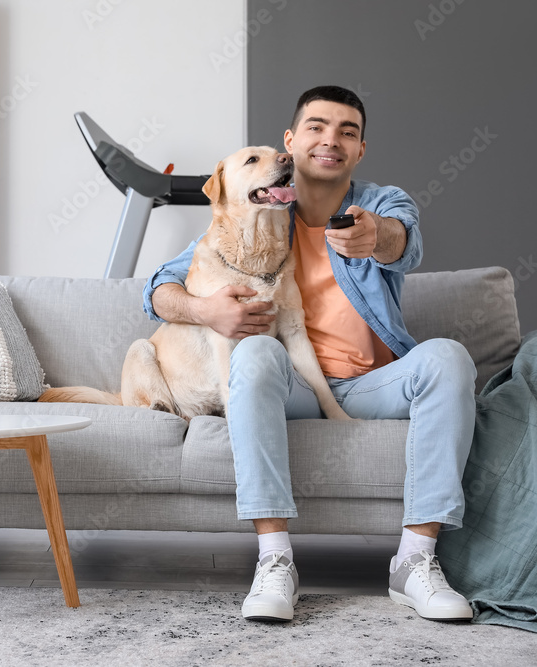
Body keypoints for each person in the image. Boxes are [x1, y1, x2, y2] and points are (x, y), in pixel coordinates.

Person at [143, 85, 475, 622]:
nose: (331, 140)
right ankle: (275, 561)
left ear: (360, 150)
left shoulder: (378, 203)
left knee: (449, 357)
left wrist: (375, 237)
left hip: (371, 384)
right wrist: (207, 311)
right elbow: (158, 288)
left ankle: (415, 562)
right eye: (317, 127)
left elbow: (402, 241)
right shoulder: (256, 207)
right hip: (291, 388)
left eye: (347, 132)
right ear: (291, 143)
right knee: (250, 354)